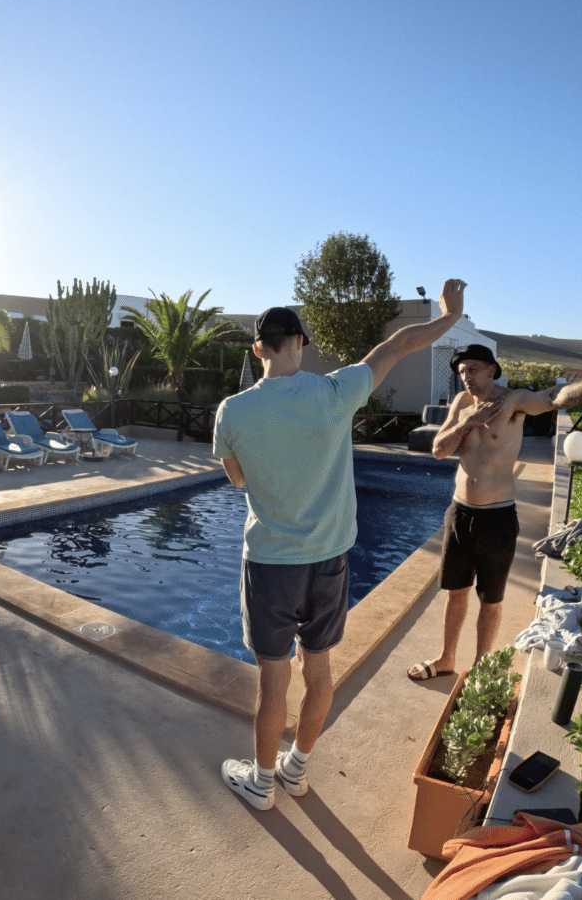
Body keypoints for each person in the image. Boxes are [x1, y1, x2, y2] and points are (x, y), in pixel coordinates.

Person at [213, 279, 469, 811]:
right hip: (329, 561)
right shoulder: (335, 393)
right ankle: (297, 769)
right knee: (319, 669)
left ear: (257, 348)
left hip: (270, 563)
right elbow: (398, 345)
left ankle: (260, 782)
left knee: (273, 680)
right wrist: (449, 316)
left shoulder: (231, 413)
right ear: (300, 344)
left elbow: (238, 481)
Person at [407, 346, 582, 682]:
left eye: (473, 369)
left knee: (490, 598)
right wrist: (468, 422)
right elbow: (440, 450)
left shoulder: (512, 402)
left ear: (492, 371)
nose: (466, 377)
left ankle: (482, 668)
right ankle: (446, 658)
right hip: (460, 513)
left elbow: (553, 396)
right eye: (462, 371)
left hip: (496, 519)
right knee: (456, 592)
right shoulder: (462, 405)